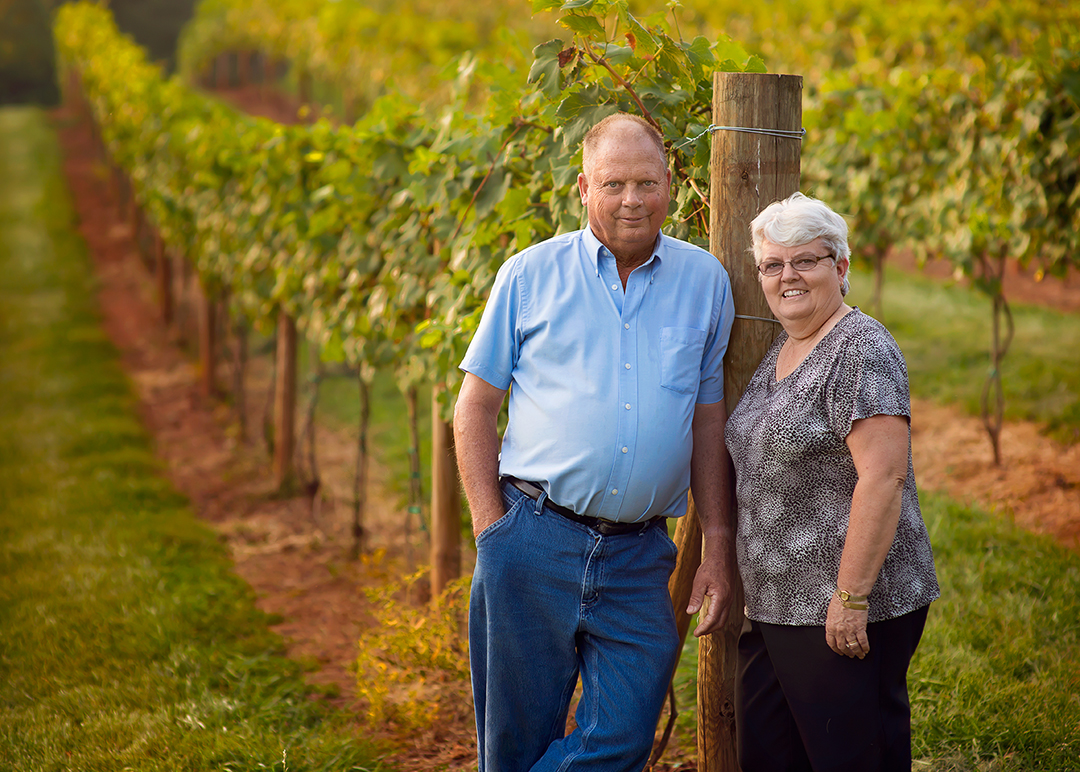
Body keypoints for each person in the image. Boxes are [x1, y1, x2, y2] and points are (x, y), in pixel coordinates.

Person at [453, 112, 737, 772]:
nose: (632, 199)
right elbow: (473, 408)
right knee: (513, 746)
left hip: (640, 558)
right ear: (583, 187)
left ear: (670, 184)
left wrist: (717, 544)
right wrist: (492, 532)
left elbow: (707, 422)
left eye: (646, 182)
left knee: (624, 738)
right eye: (613, 184)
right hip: (531, 538)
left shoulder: (707, 283)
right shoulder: (528, 276)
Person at [724, 192, 940, 772]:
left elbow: (884, 477)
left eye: (806, 261)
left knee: (851, 758)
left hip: (837, 609)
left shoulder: (860, 349)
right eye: (773, 265)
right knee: (770, 757)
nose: (787, 276)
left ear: (840, 268)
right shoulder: (788, 347)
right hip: (776, 607)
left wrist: (850, 600)